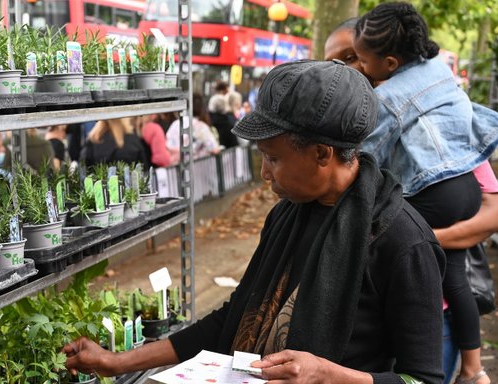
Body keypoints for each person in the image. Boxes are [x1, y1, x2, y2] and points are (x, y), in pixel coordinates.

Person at [63, 60, 446, 384]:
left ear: (322, 153)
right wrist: (116, 362)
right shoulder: (287, 215)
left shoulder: (403, 242)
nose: (264, 173)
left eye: (273, 158)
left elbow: (423, 379)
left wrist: (331, 375)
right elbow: (233, 317)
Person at [325, 15, 498, 384]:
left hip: (429, 322)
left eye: (354, 57)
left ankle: (472, 367)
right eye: (334, 62)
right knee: (454, 277)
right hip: (376, 314)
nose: (346, 69)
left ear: (387, 61)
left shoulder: (391, 104)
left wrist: (415, 244)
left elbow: (491, 215)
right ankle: (475, 369)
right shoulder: (438, 81)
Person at [166, 93, 221, 164]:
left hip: (175, 169)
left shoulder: (175, 124)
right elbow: (214, 149)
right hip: (197, 169)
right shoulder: (202, 127)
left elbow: (168, 146)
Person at [80, 118, 148, 167]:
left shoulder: (93, 140)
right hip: (130, 184)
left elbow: (84, 167)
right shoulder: (132, 140)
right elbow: (144, 168)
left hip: (99, 184)